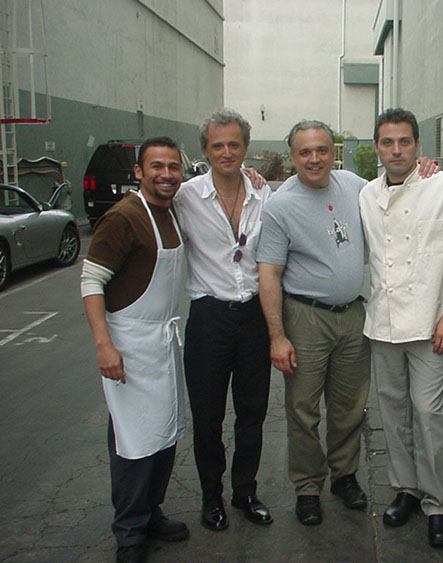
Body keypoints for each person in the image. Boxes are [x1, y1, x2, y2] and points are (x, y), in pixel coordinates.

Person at [257, 119, 438, 526]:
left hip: (355, 315)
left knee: (349, 406)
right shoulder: (281, 206)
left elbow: (399, 190)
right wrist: (277, 335)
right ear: (292, 157)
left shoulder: (354, 185)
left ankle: (344, 476)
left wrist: (425, 169)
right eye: (305, 152)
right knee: (304, 408)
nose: (314, 159)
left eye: (322, 150)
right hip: (305, 317)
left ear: (332, 152)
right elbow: (268, 273)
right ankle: (307, 487)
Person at [359, 108, 443, 547]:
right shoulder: (365, 194)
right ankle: (405, 489)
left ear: (419, 146)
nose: (397, 150)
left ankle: (438, 502)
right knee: (393, 413)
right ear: (376, 148)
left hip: (430, 323)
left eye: (405, 141)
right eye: (387, 142)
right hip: (382, 322)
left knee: (428, 413)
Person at [82, 137, 189, 563]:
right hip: (129, 344)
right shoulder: (124, 217)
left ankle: (150, 512)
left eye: (173, 167)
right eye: (156, 166)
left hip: (162, 342)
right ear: (139, 172)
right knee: (132, 443)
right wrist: (104, 345)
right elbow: (91, 282)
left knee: (163, 435)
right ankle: (129, 534)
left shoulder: (171, 211)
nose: (166, 174)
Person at [173, 108, 273, 532]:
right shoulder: (185, 196)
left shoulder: (265, 194)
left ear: (246, 148)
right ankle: (211, 497)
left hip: (254, 316)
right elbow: (147, 206)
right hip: (209, 319)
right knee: (208, 416)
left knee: (252, 413)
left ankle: (245, 492)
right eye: (218, 145)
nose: (227, 152)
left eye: (234, 144)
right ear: (205, 150)